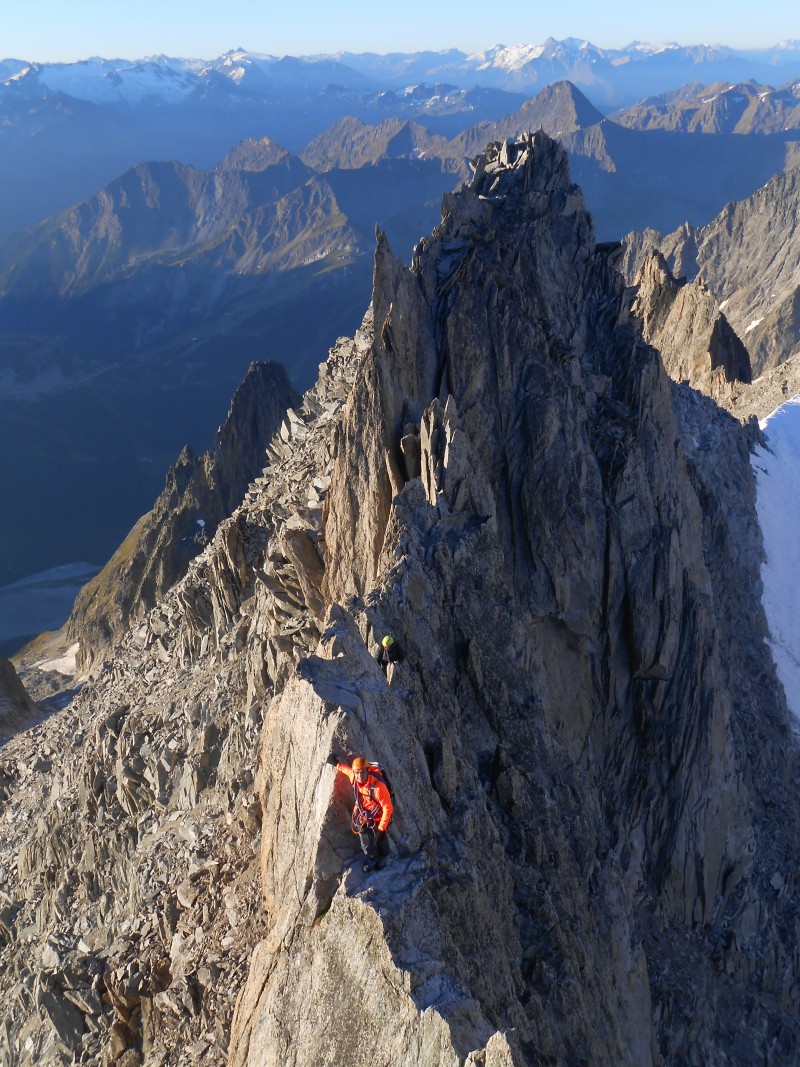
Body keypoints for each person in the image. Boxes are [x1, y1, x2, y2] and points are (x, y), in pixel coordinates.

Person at [326, 754, 393, 871]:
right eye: (357, 773)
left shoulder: (378, 787)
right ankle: (372, 858)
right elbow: (348, 771)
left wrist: (381, 829)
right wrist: (336, 764)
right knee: (366, 841)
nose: (359, 775)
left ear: (367, 771)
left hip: (378, 818)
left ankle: (384, 857)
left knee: (381, 840)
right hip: (364, 816)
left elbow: (387, 808)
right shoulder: (355, 777)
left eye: (362, 772)